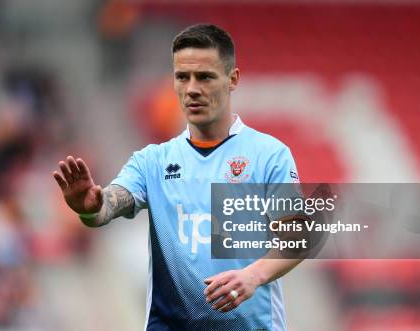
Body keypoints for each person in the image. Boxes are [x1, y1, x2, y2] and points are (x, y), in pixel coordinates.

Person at [53, 23, 302, 331]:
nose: (192, 88)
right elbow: (105, 208)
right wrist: (88, 206)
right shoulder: (152, 162)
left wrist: (254, 275)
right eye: (182, 77)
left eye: (205, 76)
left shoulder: (269, 155)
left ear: (232, 79)